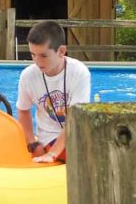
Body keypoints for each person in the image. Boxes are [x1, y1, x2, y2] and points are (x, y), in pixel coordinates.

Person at [16, 21, 91, 164]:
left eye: (43, 56)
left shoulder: (79, 72)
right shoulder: (27, 76)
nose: (37, 61)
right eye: (33, 54)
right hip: (49, 138)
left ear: (61, 51)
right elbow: (23, 110)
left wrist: (53, 153)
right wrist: (33, 144)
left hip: (74, 134)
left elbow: (74, 118)